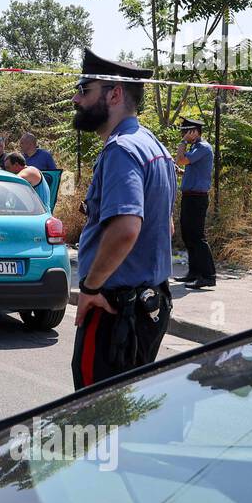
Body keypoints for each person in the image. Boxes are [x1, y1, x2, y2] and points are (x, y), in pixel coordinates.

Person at [70, 49, 175, 391]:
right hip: (148, 306)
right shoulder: (154, 146)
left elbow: (127, 228)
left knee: (93, 418)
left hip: (114, 311)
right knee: (125, 415)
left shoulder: (121, 150)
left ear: (114, 94)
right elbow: (167, 227)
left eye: (85, 90)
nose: (76, 98)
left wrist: (90, 288)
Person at [174, 117, 217, 288]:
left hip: (197, 198)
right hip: (189, 196)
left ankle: (208, 276)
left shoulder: (203, 148)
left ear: (195, 132)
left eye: (186, 131)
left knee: (198, 237)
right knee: (188, 235)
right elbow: (193, 170)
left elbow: (181, 159)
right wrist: (182, 172)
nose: (184, 134)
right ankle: (194, 273)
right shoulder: (196, 148)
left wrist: (183, 143)